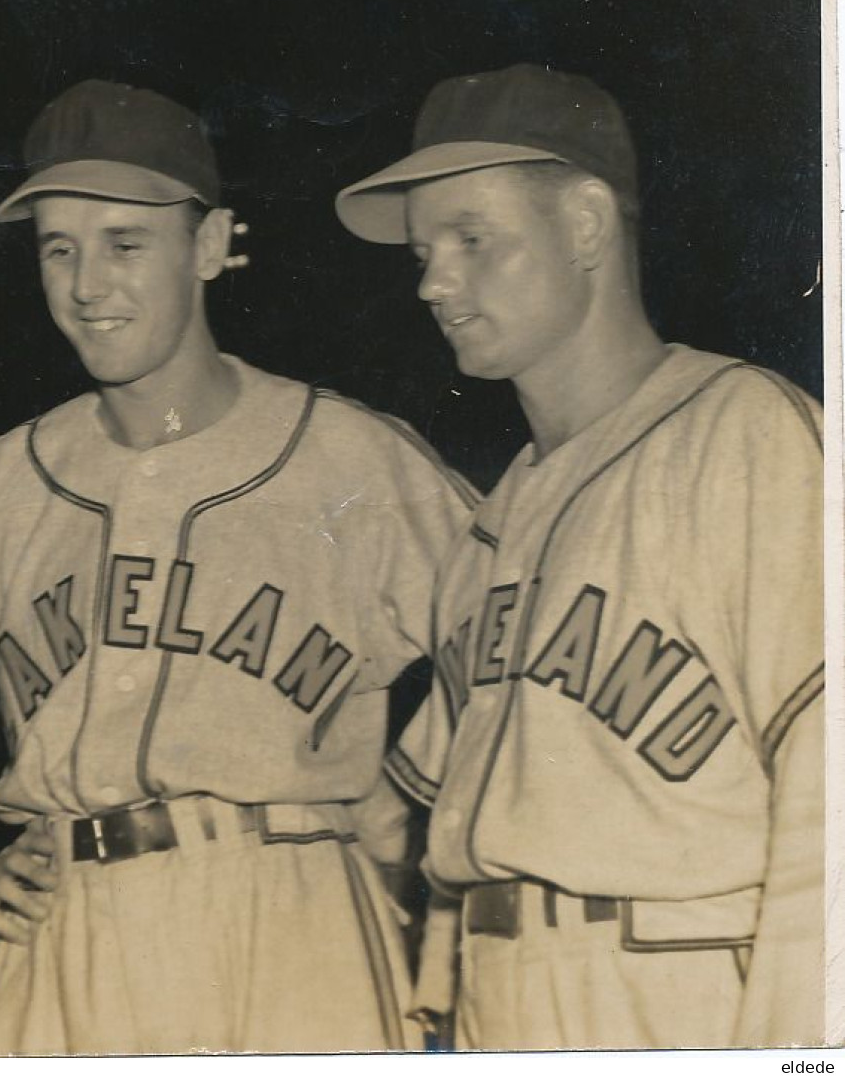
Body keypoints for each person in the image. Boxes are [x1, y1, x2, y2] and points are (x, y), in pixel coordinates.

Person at [0, 79, 476, 1055]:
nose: (85, 284)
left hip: (294, 906)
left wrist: (410, 822)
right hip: (70, 927)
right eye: (56, 248)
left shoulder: (349, 453)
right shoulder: (6, 480)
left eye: (124, 242)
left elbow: (517, 651)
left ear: (207, 244)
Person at [335, 63, 823, 1049]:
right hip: (494, 993)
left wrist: (797, 1054)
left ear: (588, 224)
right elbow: (411, 801)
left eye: (472, 239)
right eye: (426, 250)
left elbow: (833, 797)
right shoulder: (493, 520)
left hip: (674, 985)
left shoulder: (744, 433)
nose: (432, 280)